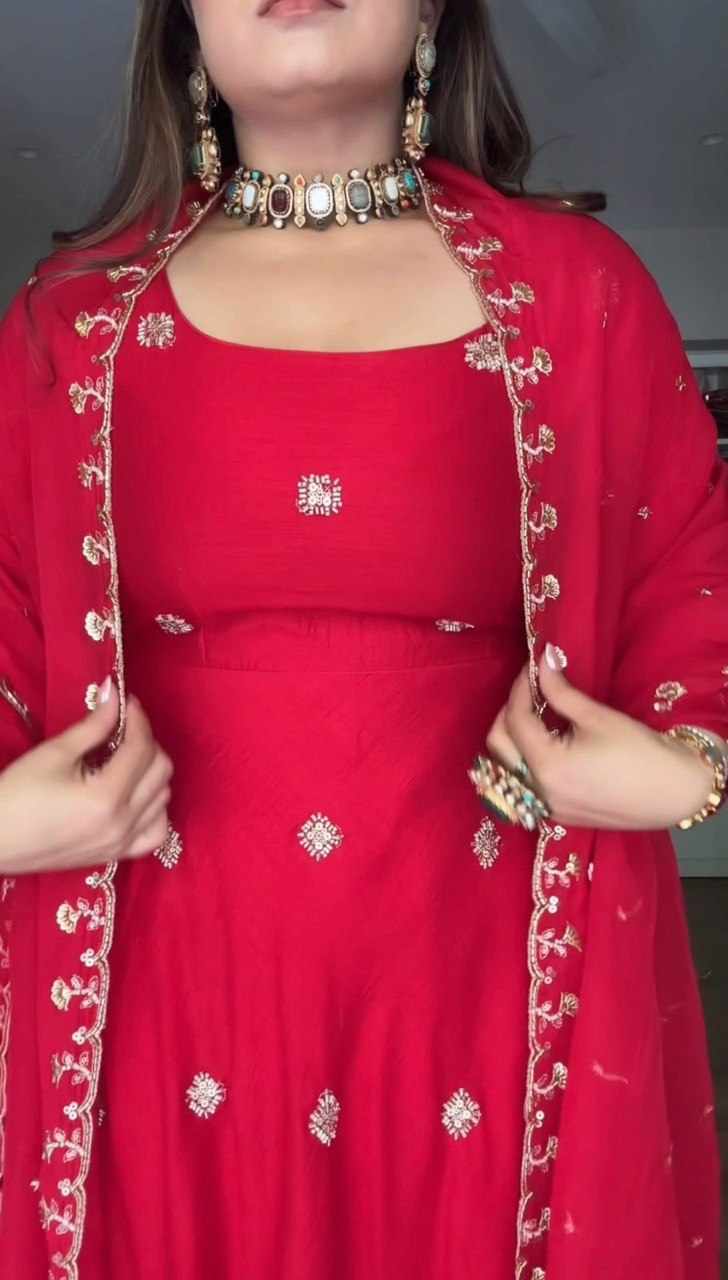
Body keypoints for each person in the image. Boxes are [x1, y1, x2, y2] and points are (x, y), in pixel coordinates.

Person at [0, 1, 726, 1276]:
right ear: (184, 26)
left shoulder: (576, 296)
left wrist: (691, 766)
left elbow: (689, 567)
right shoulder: (70, 330)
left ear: (433, 9)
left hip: (488, 1002)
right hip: (165, 1009)